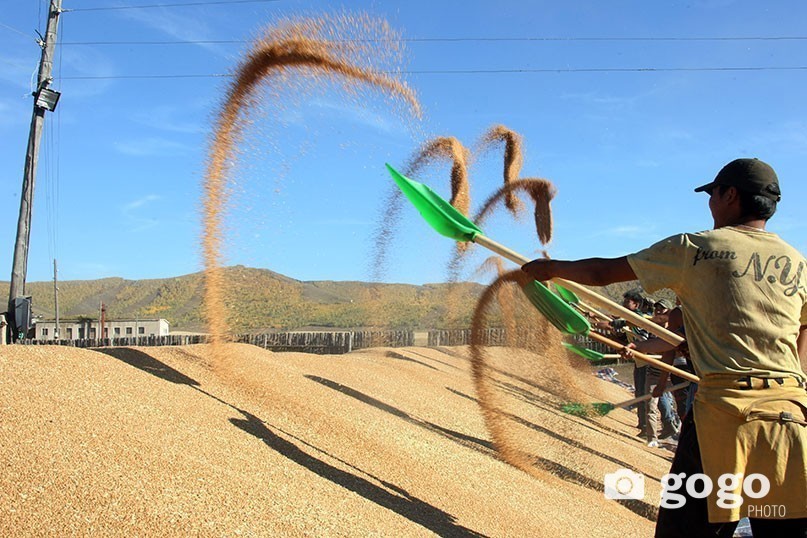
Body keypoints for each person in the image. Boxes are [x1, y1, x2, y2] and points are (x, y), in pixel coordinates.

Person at [523, 158, 807, 537]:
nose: (710, 204)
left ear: (731, 195)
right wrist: (796, 380)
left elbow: (600, 273)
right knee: (782, 529)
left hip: (722, 416)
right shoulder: (798, 262)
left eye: (714, 194)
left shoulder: (695, 248)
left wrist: (549, 268)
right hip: (790, 417)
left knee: (683, 529)